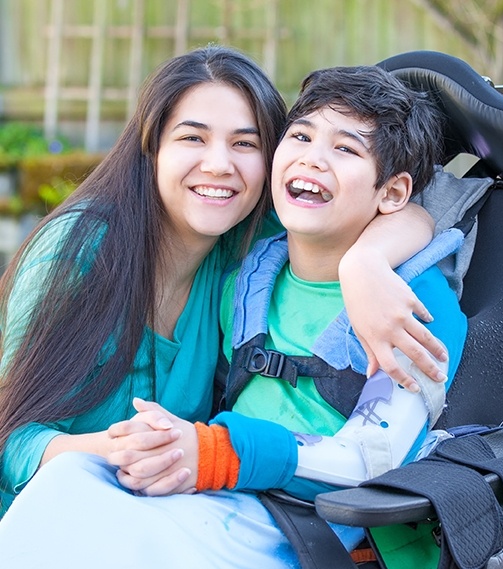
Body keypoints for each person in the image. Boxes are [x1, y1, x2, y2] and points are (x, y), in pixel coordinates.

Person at [0, 64, 467, 568]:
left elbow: (371, 455)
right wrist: (146, 450)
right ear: (151, 146)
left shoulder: (269, 251)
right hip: (147, 494)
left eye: (245, 144)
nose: (220, 166)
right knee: (69, 482)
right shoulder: (238, 270)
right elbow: (14, 439)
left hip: (261, 515)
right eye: (193, 138)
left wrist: (366, 263)